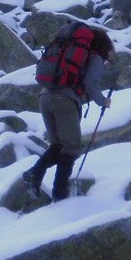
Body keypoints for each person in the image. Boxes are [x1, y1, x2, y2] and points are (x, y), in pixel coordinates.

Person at [24, 23, 114, 201]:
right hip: (63, 101)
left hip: (45, 98)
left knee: (58, 145)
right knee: (71, 148)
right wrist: (103, 102)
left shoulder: (66, 50)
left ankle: (36, 176)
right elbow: (90, 83)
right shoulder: (94, 57)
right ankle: (60, 194)